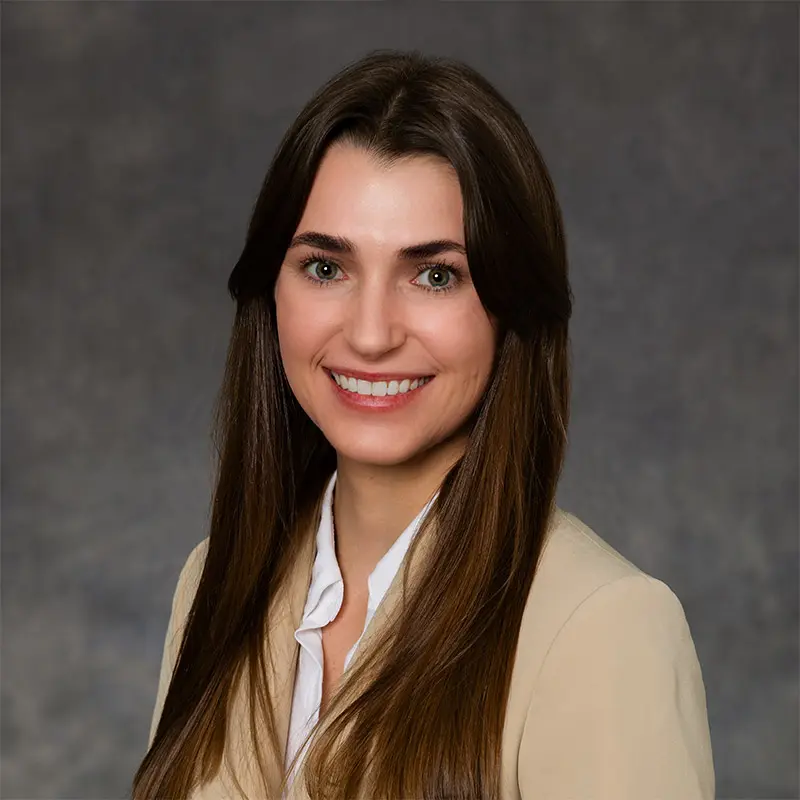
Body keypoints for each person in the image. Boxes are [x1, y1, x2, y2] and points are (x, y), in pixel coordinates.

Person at [132, 49, 715, 800]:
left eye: (435, 275)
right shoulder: (214, 583)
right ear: (268, 291)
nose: (371, 334)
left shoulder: (604, 630)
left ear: (513, 308)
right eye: (326, 268)